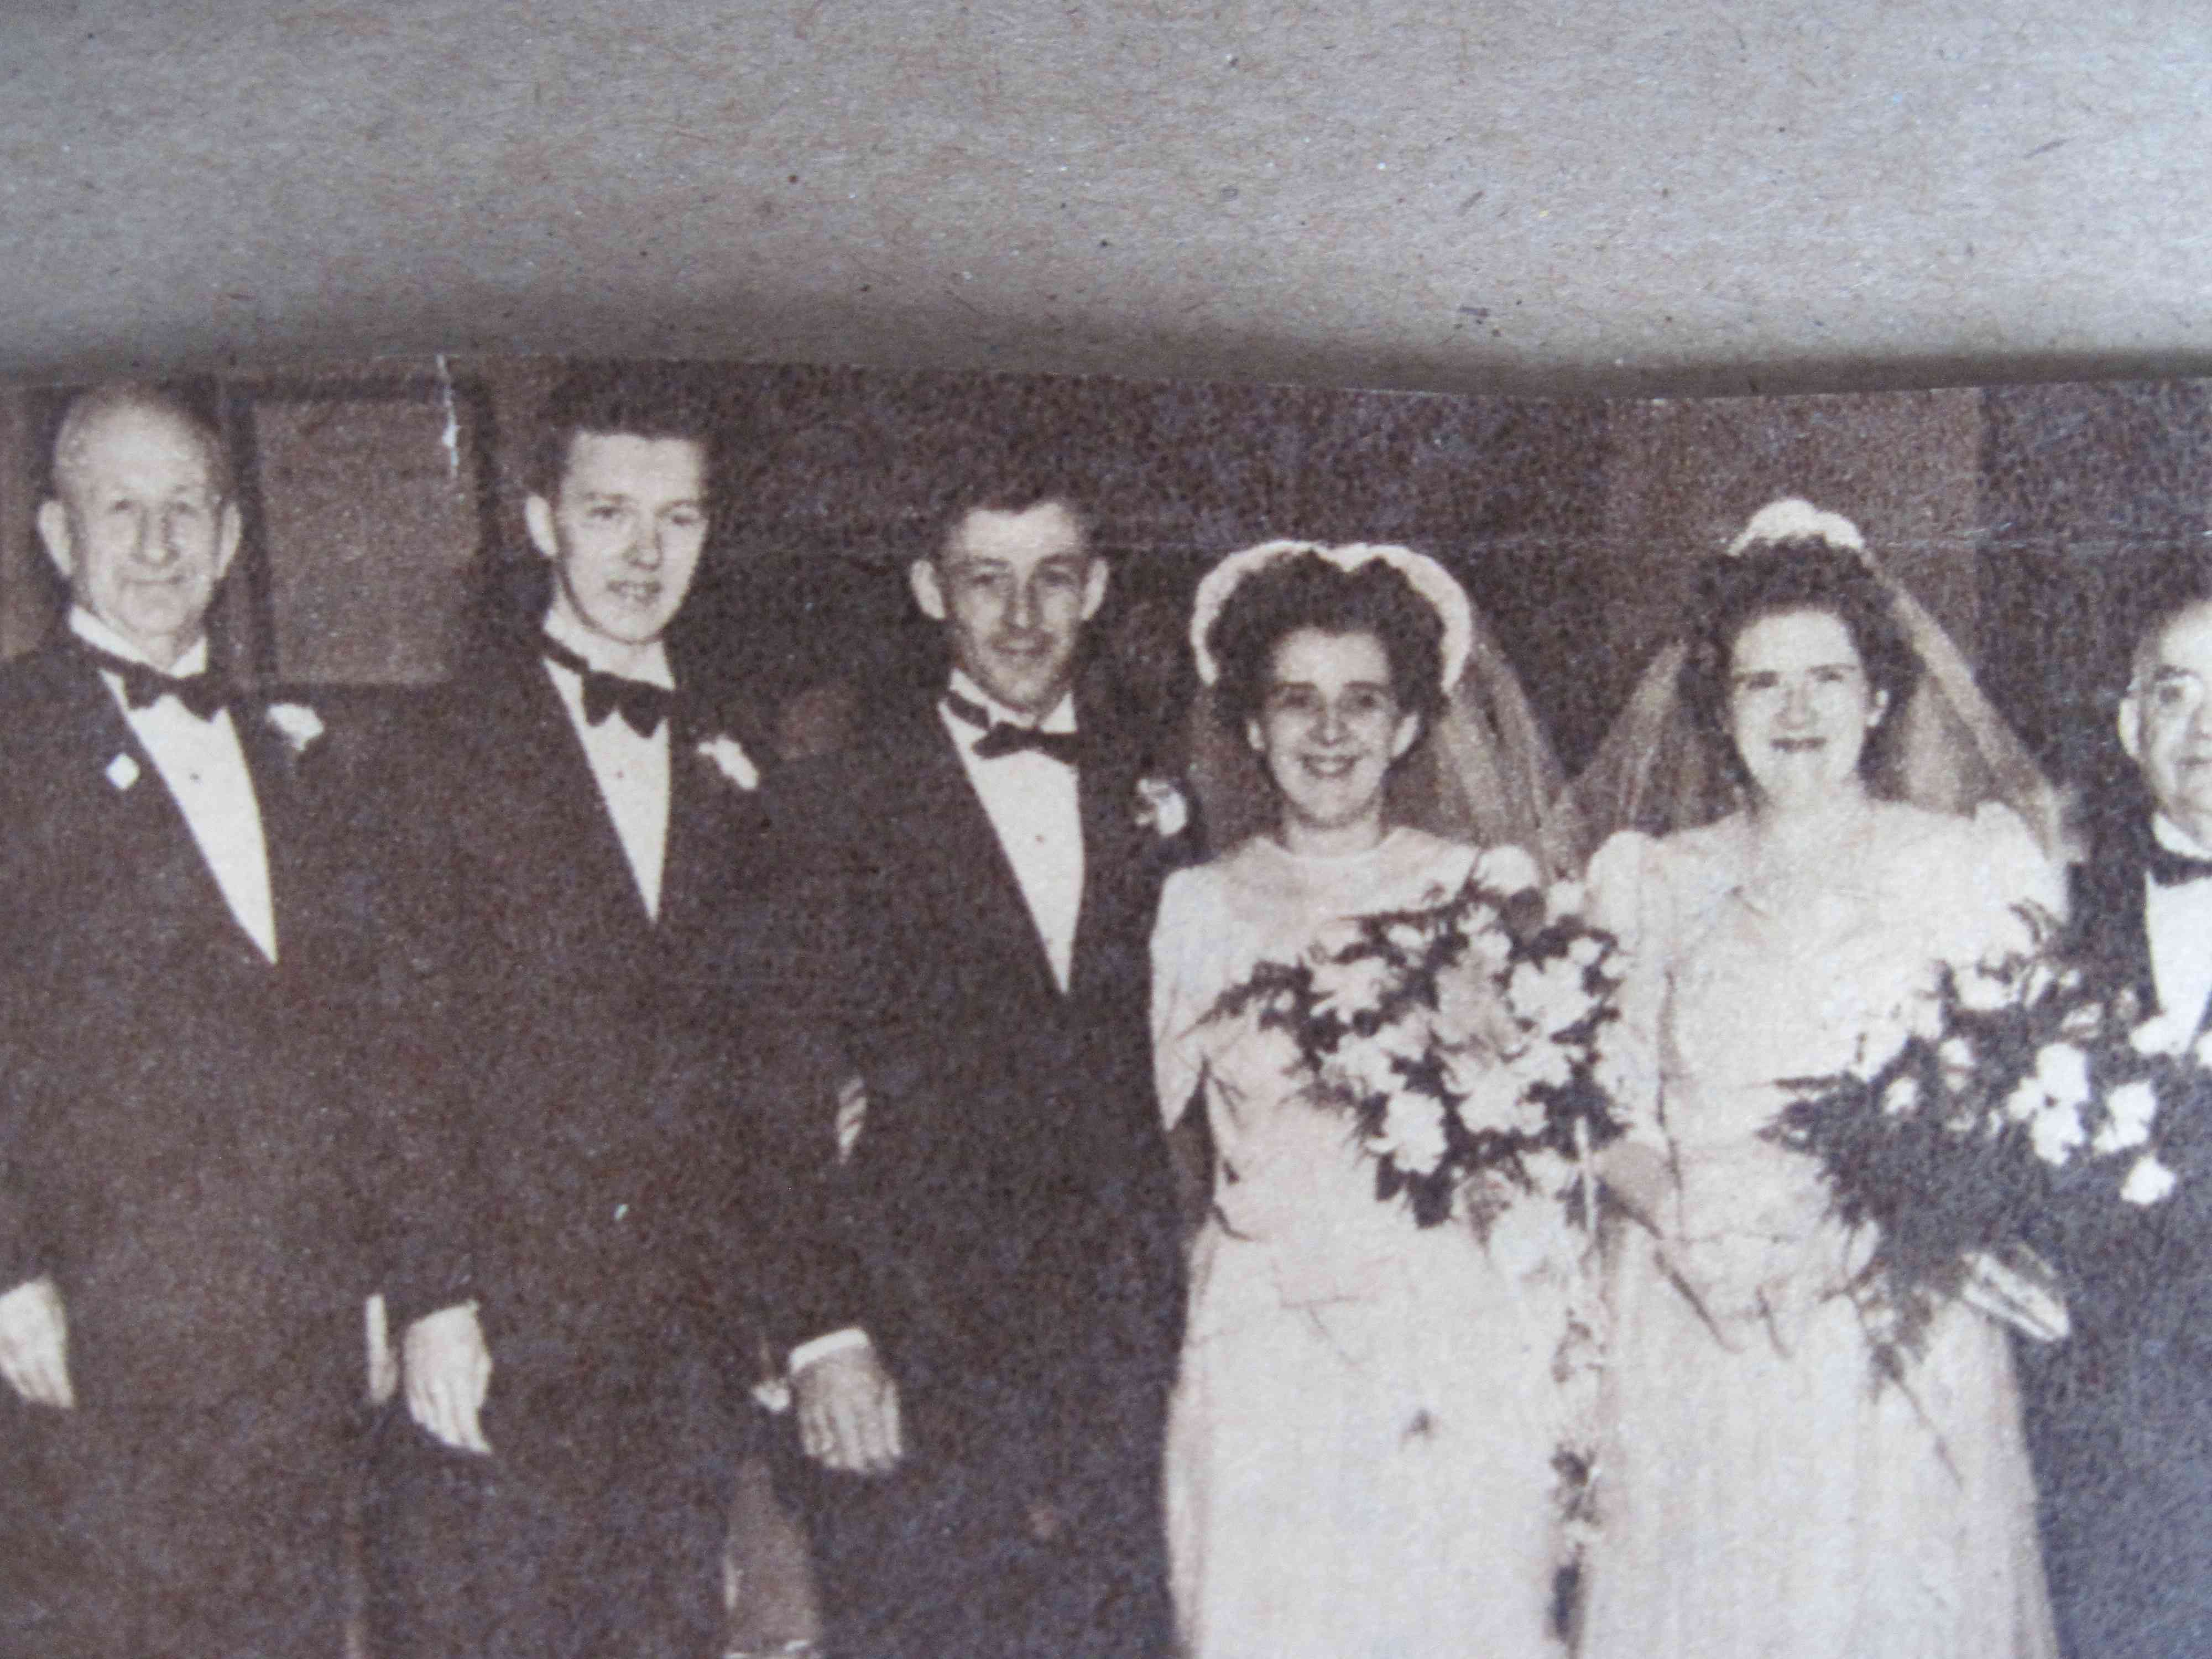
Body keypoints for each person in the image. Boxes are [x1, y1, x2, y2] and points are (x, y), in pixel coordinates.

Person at [0, 384, 471, 1655]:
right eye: (121, 510)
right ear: (57, 536)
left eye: (185, 510)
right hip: (97, 1337)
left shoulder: (293, 757)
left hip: (296, 1340)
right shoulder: (11, 743)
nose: (157, 545)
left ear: (227, 539)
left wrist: (385, 1278)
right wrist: (8, 1272)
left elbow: (365, 1048)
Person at [1575, 498, 2063, 1658]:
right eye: (1761, 683)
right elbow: (1606, 1103)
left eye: (1827, 679)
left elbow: (2005, 1107)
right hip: (1695, 1312)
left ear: (1879, 697)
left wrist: (1866, 1223)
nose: (1795, 712)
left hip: (1881, 1319)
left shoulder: (1962, 867)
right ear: (1718, 707)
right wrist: (1689, 1223)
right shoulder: (1650, 880)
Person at [368, 368, 790, 1658]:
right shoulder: (438, 752)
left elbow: (758, 1046)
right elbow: (399, 1047)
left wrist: (769, 1300)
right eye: (609, 513)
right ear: (542, 520)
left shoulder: (740, 755)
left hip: (684, 1339)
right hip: (508, 1326)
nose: (644, 554)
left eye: (678, 518)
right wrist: (433, 1296)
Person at [767, 482, 1192, 1659]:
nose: (1020, 616)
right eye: (984, 579)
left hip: (1116, 1349)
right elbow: (776, 1083)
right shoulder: (831, 802)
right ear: (928, 590)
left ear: (1096, 590)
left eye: (1052, 578)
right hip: (918, 1343)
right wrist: (823, 1332)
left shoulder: (1157, 799)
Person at [1150, 540, 1578, 1659]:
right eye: (1296, 701)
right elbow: (1126, 1123)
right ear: (1251, 725)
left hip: (1440, 1328)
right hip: (1265, 1335)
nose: (1329, 732)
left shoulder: (1475, 890)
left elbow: (1543, 1141)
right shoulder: (1193, 906)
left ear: (1408, 724)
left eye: (1362, 702)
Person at [2018, 567, 2212, 1657]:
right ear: (2132, 727)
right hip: (2113, 1455)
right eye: (2175, 694)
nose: (2204, 727)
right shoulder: (2052, 920)